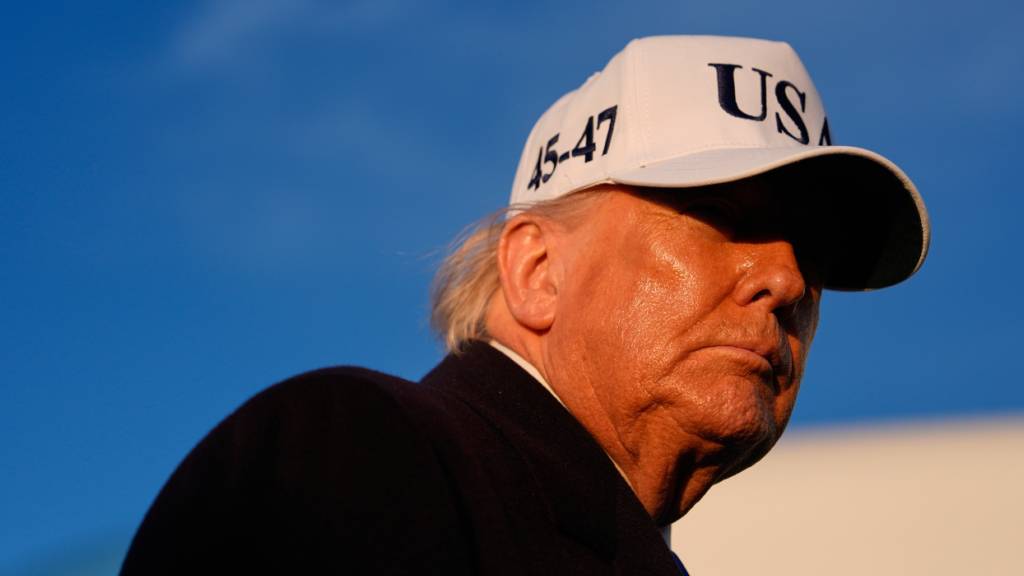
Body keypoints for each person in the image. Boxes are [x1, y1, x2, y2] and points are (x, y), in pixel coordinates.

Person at [120, 35, 929, 575]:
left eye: (811, 253)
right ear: (538, 270)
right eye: (722, 216)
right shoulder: (353, 453)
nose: (787, 280)